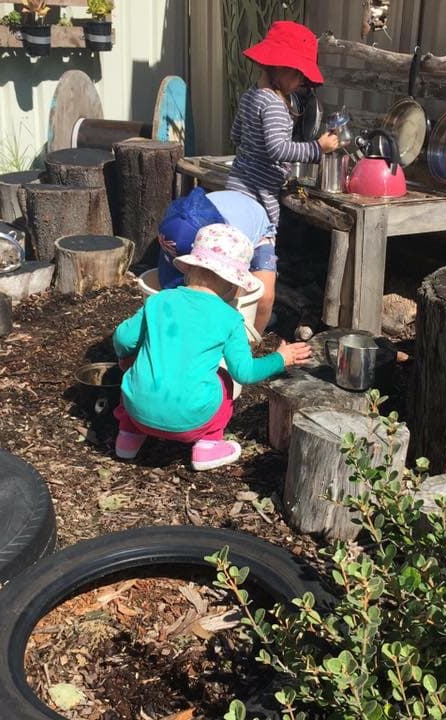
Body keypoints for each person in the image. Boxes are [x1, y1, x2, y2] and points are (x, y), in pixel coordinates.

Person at [113, 224, 312, 470]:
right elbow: (245, 373)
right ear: (233, 284)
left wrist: (126, 358)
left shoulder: (160, 300)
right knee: (226, 379)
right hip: (192, 423)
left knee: (139, 371)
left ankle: (128, 438)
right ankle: (208, 445)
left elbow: (122, 338)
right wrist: (281, 357)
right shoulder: (229, 318)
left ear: (189, 270)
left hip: (137, 412)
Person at [227, 20, 340, 232]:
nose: (300, 83)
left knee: (235, 255)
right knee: (262, 256)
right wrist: (318, 147)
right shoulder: (274, 105)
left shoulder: (249, 95)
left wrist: (254, 150)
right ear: (281, 66)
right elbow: (278, 148)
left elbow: (236, 136)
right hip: (258, 198)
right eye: (299, 75)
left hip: (237, 186)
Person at [157, 188, 278, 333]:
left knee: (263, 297)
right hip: (210, 215)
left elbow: (235, 285)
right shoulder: (177, 225)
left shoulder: (231, 240)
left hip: (255, 231)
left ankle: (251, 340)